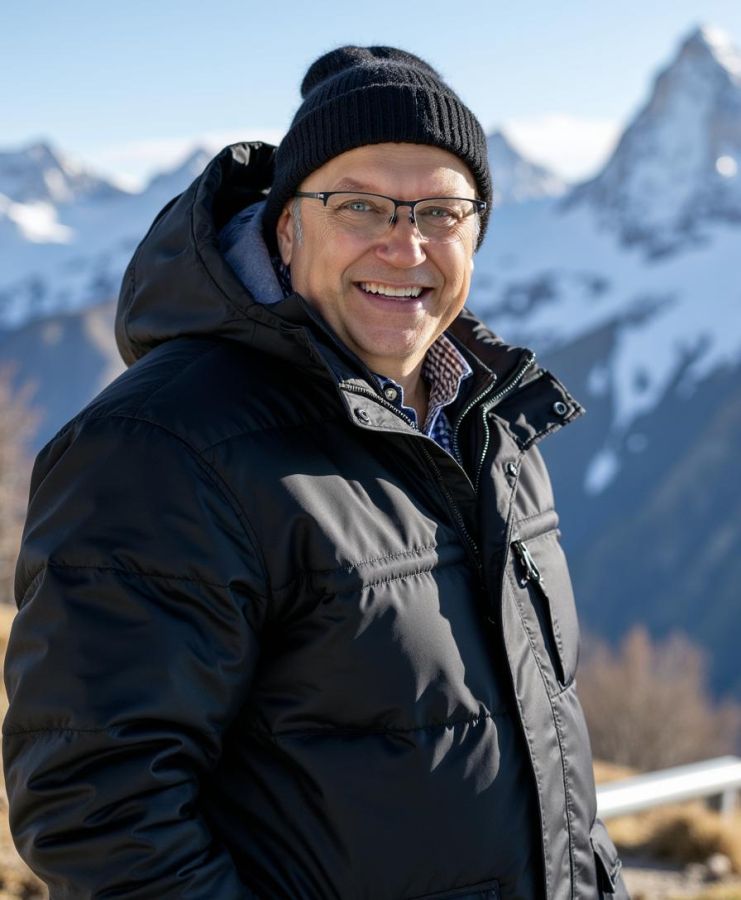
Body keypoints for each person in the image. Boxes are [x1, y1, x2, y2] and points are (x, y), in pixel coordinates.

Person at [2, 46, 628, 899]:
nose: (405, 246)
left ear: (477, 231)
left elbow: (546, 754)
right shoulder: (161, 447)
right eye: (359, 206)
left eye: (440, 211)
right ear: (286, 227)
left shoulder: (490, 424)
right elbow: (97, 809)